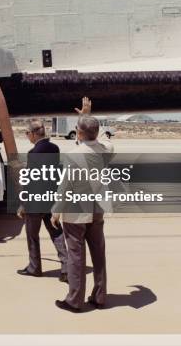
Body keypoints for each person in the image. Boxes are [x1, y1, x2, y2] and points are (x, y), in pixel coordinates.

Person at [51, 97, 113, 313]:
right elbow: (101, 137)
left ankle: (74, 300)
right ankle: (99, 296)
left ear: (78, 133)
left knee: (76, 256)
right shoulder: (105, 150)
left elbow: (65, 186)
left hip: (77, 212)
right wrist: (86, 117)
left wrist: (56, 211)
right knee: (99, 254)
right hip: (97, 209)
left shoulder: (73, 155)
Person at [16, 119, 68, 281]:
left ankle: (35, 267)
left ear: (32, 133)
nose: (27, 136)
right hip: (50, 199)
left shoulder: (34, 153)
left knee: (32, 235)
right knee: (57, 233)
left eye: (26, 133)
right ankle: (67, 267)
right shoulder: (55, 148)